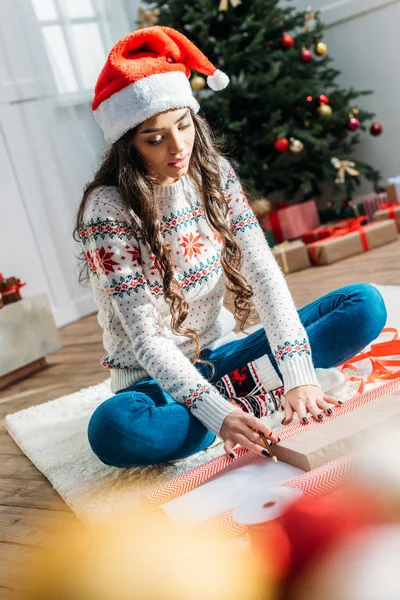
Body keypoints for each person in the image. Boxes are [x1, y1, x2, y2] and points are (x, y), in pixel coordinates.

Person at [74, 26, 386, 467]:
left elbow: (263, 274)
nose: (178, 147)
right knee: (114, 430)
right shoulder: (107, 212)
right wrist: (218, 415)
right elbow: (148, 339)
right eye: (155, 137)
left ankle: (256, 390)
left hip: (224, 355)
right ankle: (250, 400)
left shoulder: (215, 174)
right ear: (128, 144)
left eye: (183, 125)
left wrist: (299, 375)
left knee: (364, 304)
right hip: (153, 382)